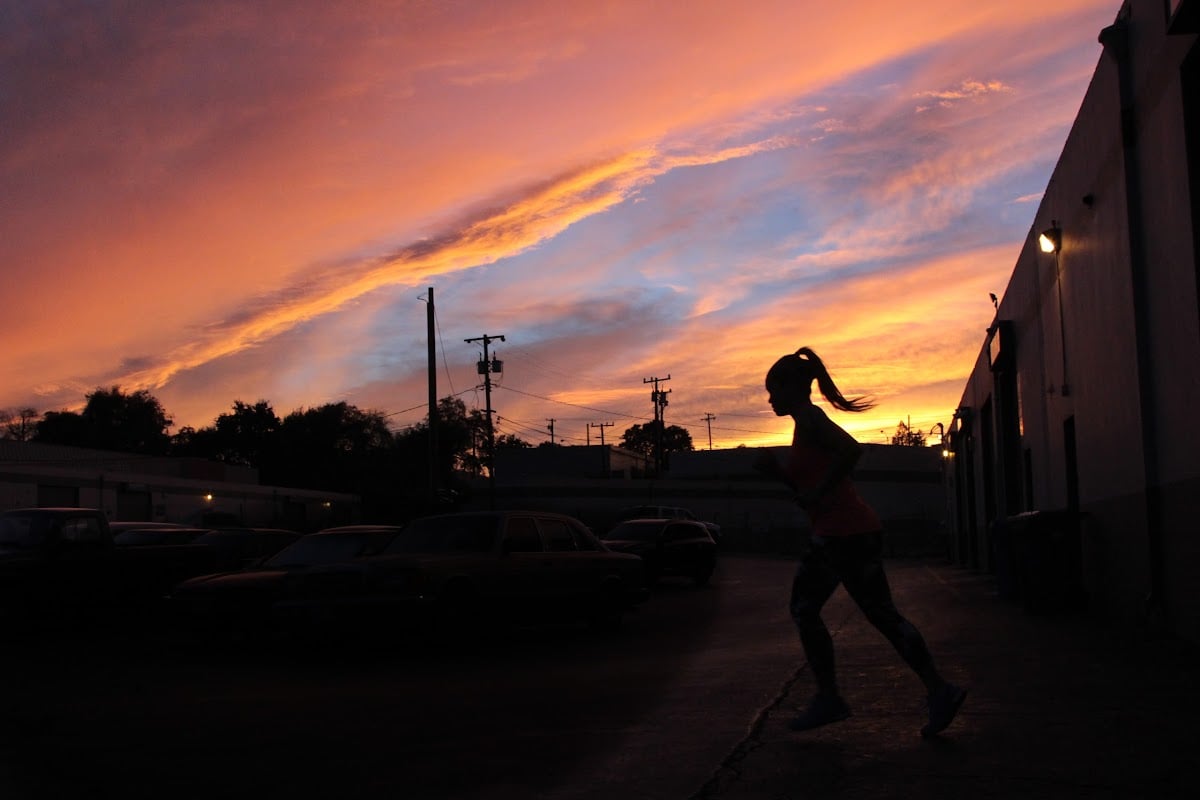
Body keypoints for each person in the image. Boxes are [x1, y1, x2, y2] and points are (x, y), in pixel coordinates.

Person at [754, 347, 966, 737]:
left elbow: (852, 451)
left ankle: (833, 698)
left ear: (794, 389)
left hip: (844, 534)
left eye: (774, 390)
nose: (770, 399)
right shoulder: (804, 427)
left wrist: (817, 491)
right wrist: (779, 474)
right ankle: (937, 690)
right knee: (876, 615)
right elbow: (809, 492)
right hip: (844, 533)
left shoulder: (812, 418)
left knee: (809, 609)